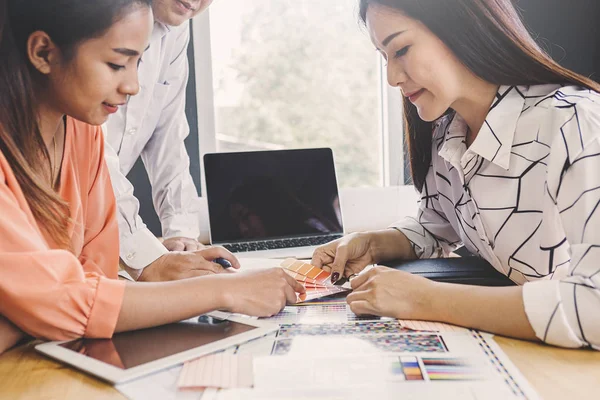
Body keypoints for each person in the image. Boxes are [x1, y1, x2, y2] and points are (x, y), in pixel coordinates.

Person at [0, 0, 304, 355]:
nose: (134, 86)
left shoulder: (85, 134)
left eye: (139, 63)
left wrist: (29, 314)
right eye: (116, 64)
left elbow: (91, 284)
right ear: (43, 52)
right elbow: (66, 302)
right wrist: (224, 291)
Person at [312, 0, 600, 350]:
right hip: (529, 350)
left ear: (462, 27)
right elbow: (436, 227)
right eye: (383, 56)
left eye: (400, 49)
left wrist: (426, 299)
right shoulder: (448, 131)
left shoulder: (576, 122)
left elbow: (593, 304)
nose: (391, 78)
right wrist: (374, 243)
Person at [104, 0, 217, 282]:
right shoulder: (96, 14)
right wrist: (147, 259)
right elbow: (92, 156)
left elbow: (169, 135)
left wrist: (181, 233)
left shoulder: (176, 29)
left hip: (99, 234)